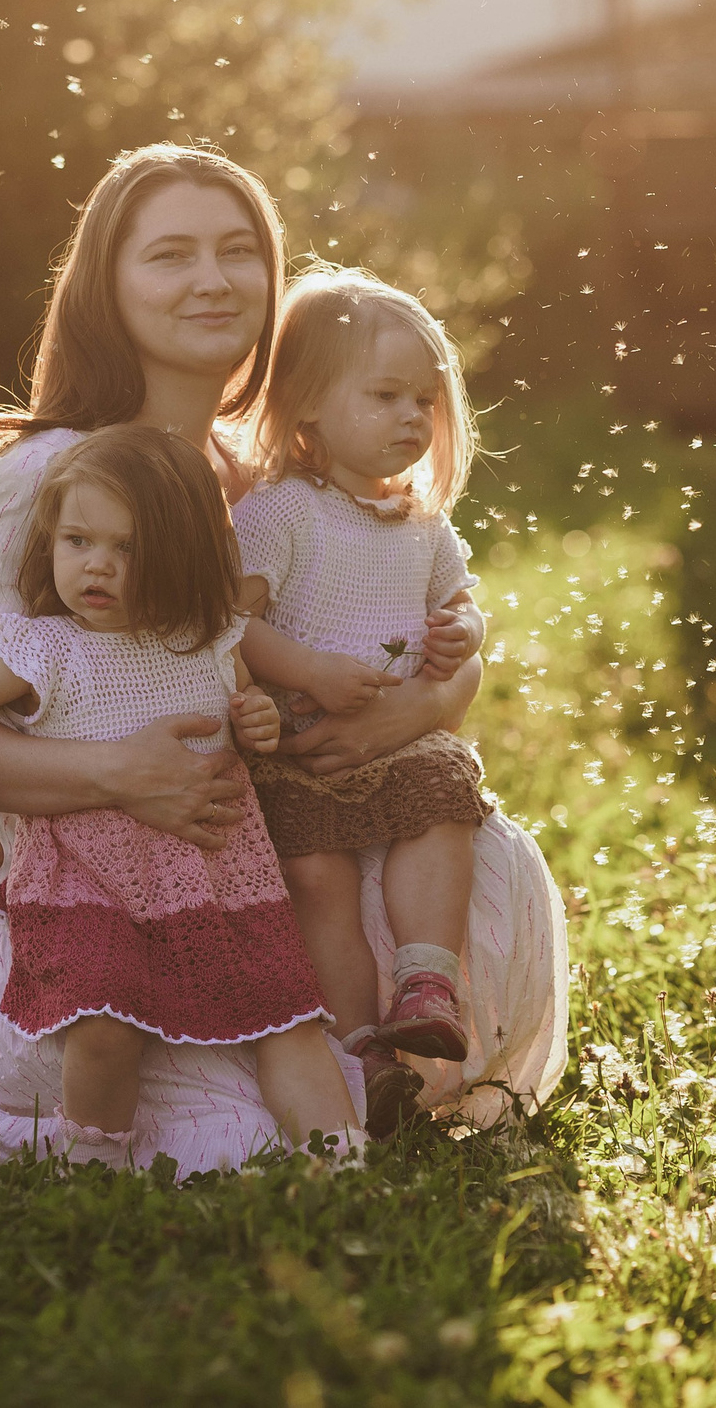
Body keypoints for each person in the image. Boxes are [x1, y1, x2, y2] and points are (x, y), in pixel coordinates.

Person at [0, 141, 565, 1173]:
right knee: (218, 1122)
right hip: (70, 878)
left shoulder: (273, 477)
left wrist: (422, 703)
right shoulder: (39, 477)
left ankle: (371, 1057)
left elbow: (408, 618)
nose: (213, 279)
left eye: (238, 251)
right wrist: (113, 774)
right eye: (170, 255)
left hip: (244, 853)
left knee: (472, 854)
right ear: (107, 284)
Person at [0, 426, 359, 1167]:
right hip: (89, 877)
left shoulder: (211, 639)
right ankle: (94, 1163)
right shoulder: (43, 645)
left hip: (218, 869)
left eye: (128, 548)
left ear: (183, 555)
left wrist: (255, 718)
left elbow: (242, 715)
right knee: (103, 1024)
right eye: (77, 540)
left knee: (287, 1015)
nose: (96, 565)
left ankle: (344, 1160)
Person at [231, 268, 490, 1140]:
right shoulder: (280, 513)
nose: (414, 417)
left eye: (424, 399)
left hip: (399, 743)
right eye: (385, 395)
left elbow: (462, 607)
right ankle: (362, 1049)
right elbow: (234, 626)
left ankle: (426, 981)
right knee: (317, 881)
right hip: (304, 746)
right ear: (307, 405)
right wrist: (306, 670)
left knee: (441, 809)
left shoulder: (423, 523)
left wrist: (461, 636)